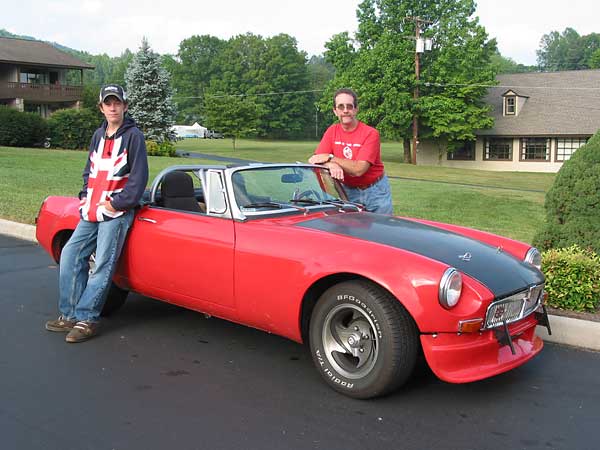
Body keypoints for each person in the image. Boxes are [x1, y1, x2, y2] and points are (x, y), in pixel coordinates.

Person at [45, 84, 148, 343]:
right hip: (91, 209)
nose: (113, 107)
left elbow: (138, 178)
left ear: (125, 106)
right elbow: (89, 170)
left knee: (102, 264)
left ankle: (87, 319)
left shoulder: (134, 136)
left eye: (117, 103)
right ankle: (69, 314)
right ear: (101, 107)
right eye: (108, 103)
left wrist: (116, 204)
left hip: (116, 212)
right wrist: (84, 196)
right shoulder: (98, 135)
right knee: (70, 254)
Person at [309, 88, 393, 214]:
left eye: (349, 106)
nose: (345, 110)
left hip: (375, 191)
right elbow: (314, 160)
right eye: (341, 107)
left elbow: (358, 170)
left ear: (356, 109)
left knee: (381, 230)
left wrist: (331, 158)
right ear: (335, 111)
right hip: (347, 191)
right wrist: (330, 164)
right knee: (351, 230)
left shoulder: (371, 133)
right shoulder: (332, 131)